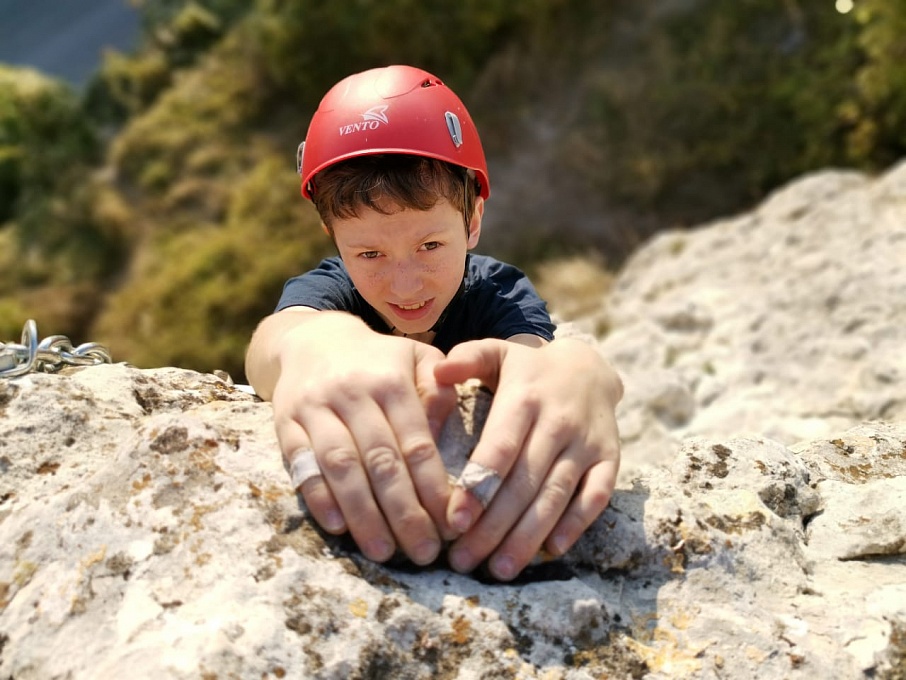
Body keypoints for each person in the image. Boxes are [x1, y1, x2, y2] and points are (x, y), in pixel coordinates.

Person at [245, 64, 623, 581]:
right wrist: (315, 343)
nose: (405, 286)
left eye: (430, 245)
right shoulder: (329, 292)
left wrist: (582, 372)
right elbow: (273, 343)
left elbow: (533, 369)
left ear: (473, 222)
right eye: (369, 254)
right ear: (333, 237)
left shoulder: (498, 292)